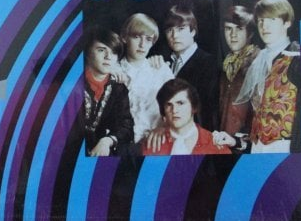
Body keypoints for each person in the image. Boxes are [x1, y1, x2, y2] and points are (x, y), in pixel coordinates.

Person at [234, 0, 301, 154]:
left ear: (287, 23)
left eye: (272, 19)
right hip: (257, 147)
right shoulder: (257, 60)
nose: (264, 26)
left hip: (285, 147)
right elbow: (257, 114)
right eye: (261, 20)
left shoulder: (298, 58)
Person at [118, 13, 174, 143]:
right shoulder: (115, 70)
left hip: (158, 140)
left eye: (148, 39)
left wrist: (164, 127)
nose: (142, 45)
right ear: (124, 37)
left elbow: (176, 104)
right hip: (124, 143)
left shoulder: (160, 69)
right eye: (137, 37)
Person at [162, 3, 219, 131]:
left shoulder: (208, 63)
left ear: (193, 31)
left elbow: (209, 112)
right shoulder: (166, 62)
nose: (175, 36)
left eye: (181, 29)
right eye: (170, 30)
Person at [81, 27, 134, 156]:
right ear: (87, 53)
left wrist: (107, 141)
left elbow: (126, 126)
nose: (108, 57)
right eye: (101, 50)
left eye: (113, 52)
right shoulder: (71, 84)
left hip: (101, 150)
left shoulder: (118, 89)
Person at [142, 78, 230, 155]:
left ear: (194, 107)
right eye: (169, 105)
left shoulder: (215, 144)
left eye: (180, 103)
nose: (174, 110)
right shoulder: (153, 143)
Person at [217, 5, 260, 137]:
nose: (233, 35)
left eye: (239, 29)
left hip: (248, 141)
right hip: (226, 139)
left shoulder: (257, 61)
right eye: (228, 29)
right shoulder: (227, 63)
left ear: (250, 33)